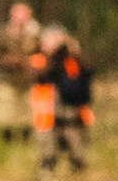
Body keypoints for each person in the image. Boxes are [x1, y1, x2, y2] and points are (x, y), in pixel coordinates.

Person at [30, 24, 92, 173]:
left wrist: (75, 54)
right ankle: (47, 171)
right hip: (46, 113)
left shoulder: (72, 60)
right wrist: (58, 55)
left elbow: (85, 75)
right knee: (48, 148)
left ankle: (78, 170)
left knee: (76, 146)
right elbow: (42, 75)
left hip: (71, 111)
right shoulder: (39, 59)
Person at [0, 2, 41, 144]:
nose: (20, 18)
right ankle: (7, 140)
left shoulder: (34, 35)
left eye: (23, 15)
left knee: (28, 113)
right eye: (17, 14)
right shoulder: (3, 33)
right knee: (5, 111)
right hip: (8, 78)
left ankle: (25, 140)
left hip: (29, 79)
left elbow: (43, 55)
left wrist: (30, 62)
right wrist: (8, 61)